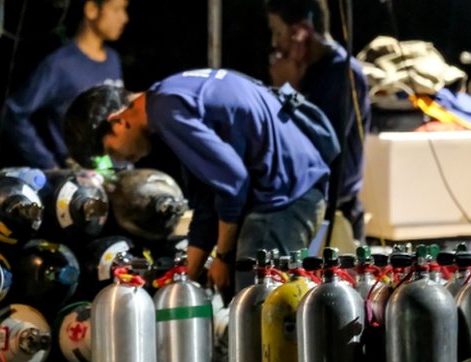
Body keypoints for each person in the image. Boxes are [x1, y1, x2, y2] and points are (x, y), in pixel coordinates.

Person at [64, 68, 331, 299]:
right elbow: (207, 196)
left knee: (256, 306)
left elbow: (232, 181)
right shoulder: (171, 95)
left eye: (112, 153)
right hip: (296, 185)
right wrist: (187, 278)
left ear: (118, 121)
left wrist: (224, 258)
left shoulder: (166, 109)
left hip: (284, 197)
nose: (121, 161)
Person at [267, 0, 371, 243]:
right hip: (303, 207)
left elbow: (323, 142)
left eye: (278, 32)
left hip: (335, 216)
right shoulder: (303, 70)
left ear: (301, 32)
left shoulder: (343, 73)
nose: (275, 43)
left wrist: (287, 91)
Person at [1, 0, 128, 169]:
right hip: (82, 177)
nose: (124, 18)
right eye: (116, 9)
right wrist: (48, 163)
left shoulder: (113, 59)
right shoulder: (60, 64)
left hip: (118, 171)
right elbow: (14, 112)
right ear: (91, 10)